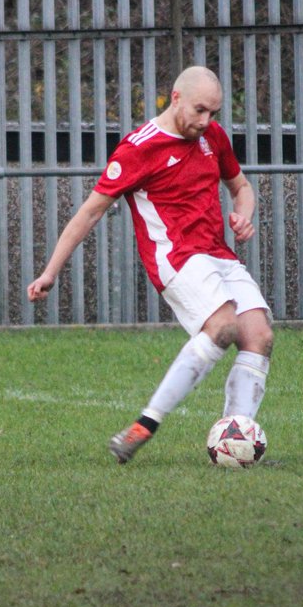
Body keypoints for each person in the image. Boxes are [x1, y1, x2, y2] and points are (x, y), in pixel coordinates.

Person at [28, 66, 274, 463]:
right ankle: (145, 425)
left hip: (217, 252)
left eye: (214, 112)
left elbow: (241, 186)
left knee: (259, 335)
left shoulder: (212, 137)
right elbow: (90, 213)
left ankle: (235, 439)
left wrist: (243, 213)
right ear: (175, 98)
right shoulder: (139, 148)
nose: (206, 121)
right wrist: (50, 271)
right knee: (224, 325)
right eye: (199, 110)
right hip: (175, 257)